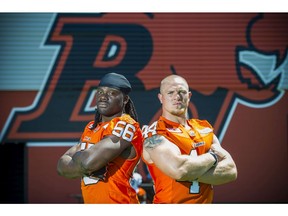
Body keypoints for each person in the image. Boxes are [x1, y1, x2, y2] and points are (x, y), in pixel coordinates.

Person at [142, 74, 237, 204]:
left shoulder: (203, 128)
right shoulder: (155, 134)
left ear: (189, 96)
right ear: (161, 98)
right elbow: (179, 170)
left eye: (182, 92)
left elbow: (231, 171)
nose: (177, 96)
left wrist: (190, 172)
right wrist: (213, 158)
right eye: (170, 92)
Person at [57, 72, 143, 204]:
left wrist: (81, 161)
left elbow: (88, 162)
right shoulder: (92, 127)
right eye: (100, 92)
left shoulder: (126, 124)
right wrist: (89, 163)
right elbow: (61, 166)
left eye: (112, 93)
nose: (104, 97)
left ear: (125, 99)